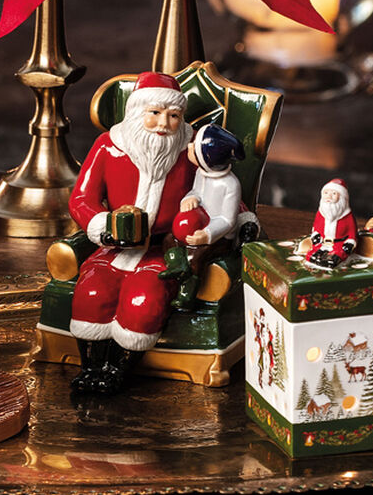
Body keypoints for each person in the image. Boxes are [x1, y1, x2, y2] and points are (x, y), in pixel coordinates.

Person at [67, 72, 195, 394]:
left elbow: (223, 191)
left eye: (173, 115)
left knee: (144, 300)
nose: (163, 123)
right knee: (92, 293)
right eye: (154, 113)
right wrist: (103, 227)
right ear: (137, 113)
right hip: (112, 247)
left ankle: (117, 371)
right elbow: (81, 199)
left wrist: (239, 218)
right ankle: (91, 367)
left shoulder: (189, 153)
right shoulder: (109, 147)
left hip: (160, 250)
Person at [159, 124, 248, 311]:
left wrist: (206, 235)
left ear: (208, 159)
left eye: (195, 148)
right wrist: (191, 198)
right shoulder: (201, 173)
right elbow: (196, 191)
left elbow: (227, 220)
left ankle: (186, 293)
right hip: (195, 223)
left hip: (219, 237)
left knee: (195, 255)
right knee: (169, 239)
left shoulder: (230, 184)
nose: (190, 147)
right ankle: (177, 266)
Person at [304, 178, 358, 269]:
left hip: (339, 245)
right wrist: (315, 235)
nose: (329, 197)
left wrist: (349, 243)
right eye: (326, 193)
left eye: (333, 194)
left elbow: (352, 233)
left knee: (331, 261)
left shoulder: (347, 216)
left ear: (341, 197)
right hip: (322, 244)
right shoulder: (321, 213)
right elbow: (316, 226)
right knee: (312, 257)